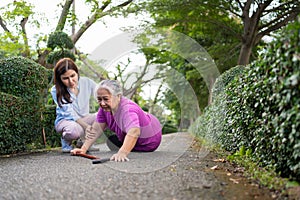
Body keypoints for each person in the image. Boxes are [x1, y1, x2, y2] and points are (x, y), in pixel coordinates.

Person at [71, 79, 162, 162]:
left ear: (118, 96)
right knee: (112, 141)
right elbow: (96, 130)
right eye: (99, 99)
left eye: (106, 99)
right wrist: (83, 149)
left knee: (120, 143)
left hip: (150, 141)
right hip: (131, 135)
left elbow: (134, 131)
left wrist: (122, 153)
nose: (102, 103)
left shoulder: (127, 109)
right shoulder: (104, 109)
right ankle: (127, 143)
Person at [51, 57, 98, 153]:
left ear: (77, 73)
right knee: (73, 130)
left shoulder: (86, 82)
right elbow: (70, 114)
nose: (71, 81)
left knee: (102, 115)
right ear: (60, 79)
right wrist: (86, 126)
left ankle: (84, 142)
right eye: (65, 78)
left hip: (84, 118)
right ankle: (66, 142)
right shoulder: (56, 90)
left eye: (73, 76)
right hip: (66, 121)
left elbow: (101, 92)